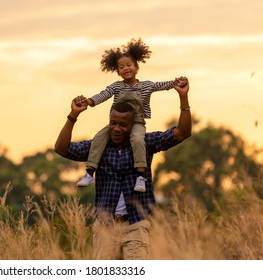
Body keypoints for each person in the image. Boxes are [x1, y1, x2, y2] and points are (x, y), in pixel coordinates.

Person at [54, 77, 191, 260]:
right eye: (113, 123)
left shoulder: (143, 143)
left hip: (135, 225)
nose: (117, 128)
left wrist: (183, 98)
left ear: (132, 125)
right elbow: (61, 148)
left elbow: (182, 132)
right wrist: (73, 115)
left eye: (123, 125)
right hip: (105, 227)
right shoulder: (98, 147)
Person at [76, 38, 186, 192]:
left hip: (137, 122)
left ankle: (140, 176)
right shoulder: (116, 86)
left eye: (129, 65)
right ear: (117, 71)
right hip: (117, 123)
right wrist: (89, 101)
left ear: (136, 67)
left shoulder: (146, 85)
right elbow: (103, 94)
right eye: (121, 67)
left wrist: (175, 83)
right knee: (99, 138)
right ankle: (89, 173)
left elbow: (161, 85)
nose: (126, 68)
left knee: (137, 139)